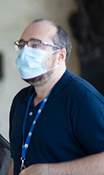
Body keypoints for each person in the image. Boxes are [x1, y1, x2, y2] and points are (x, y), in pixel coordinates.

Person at [9, 19, 104, 175]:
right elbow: (16, 159)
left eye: (35, 45)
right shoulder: (20, 100)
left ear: (60, 55)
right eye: (21, 45)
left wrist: (49, 171)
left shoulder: (81, 97)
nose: (25, 52)